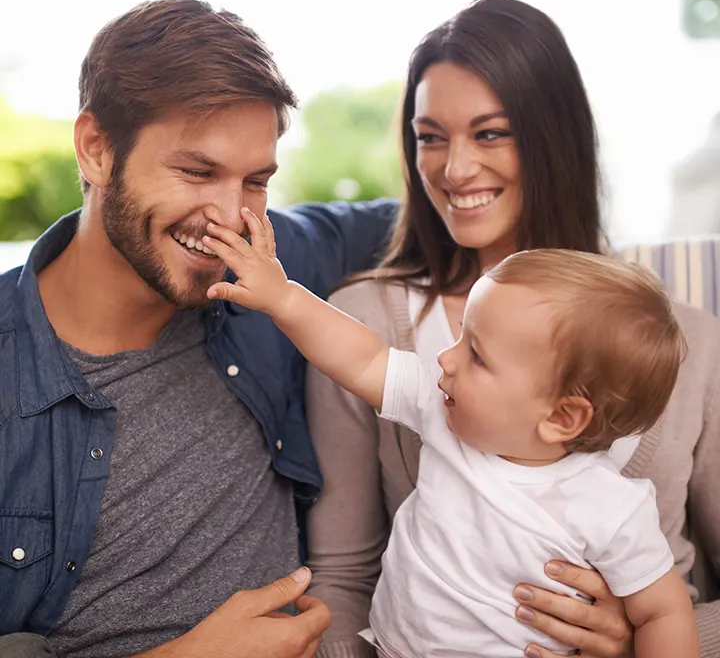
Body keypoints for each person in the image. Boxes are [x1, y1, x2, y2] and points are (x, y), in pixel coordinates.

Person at [304, 0, 720, 658]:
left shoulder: (691, 344)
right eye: (430, 136)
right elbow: (342, 578)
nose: (454, 169)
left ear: (555, 138)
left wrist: (635, 640)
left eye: (491, 133)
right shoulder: (367, 322)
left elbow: (679, 607)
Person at [0, 0, 397, 658]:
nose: (230, 217)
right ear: (96, 149)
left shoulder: (267, 268)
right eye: (197, 171)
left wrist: (630, 607)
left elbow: (437, 215)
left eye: (256, 181)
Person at [203, 213, 700, 657]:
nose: (446, 357)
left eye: (477, 355)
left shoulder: (612, 508)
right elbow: (364, 359)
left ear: (563, 419)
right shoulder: (444, 414)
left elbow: (663, 612)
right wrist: (283, 297)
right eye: (460, 335)